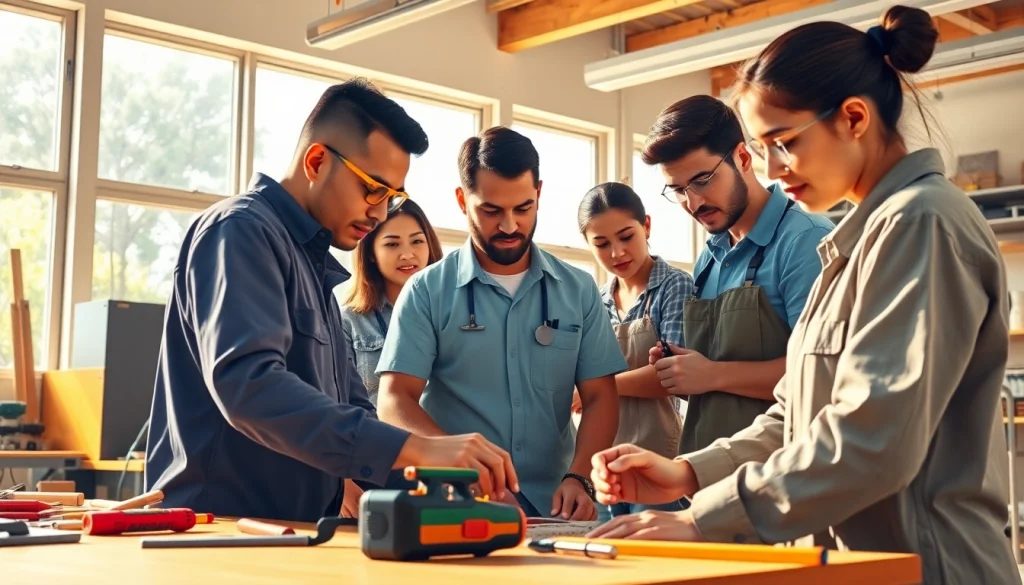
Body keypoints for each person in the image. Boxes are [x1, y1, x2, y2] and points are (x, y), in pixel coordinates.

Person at [587, 7, 1019, 584]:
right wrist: (688, 473)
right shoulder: (855, 240)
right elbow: (797, 415)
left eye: (784, 143)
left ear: (854, 118)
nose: (772, 168)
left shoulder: (922, 224)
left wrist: (702, 521)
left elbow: (871, 440)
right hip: (851, 564)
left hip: (927, 566)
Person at [145, 79, 519, 523]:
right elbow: (250, 387)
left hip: (291, 532)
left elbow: (353, 409)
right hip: (220, 531)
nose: (379, 213)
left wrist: (447, 480)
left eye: (392, 198)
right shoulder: (240, 230)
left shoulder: (313, 264)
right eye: (373, 189)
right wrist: (418, 447)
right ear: (317, 161)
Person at [376, 126, 625, 520]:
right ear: (462, 200)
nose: (509, 225)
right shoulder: (425, 291)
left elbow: (600, 397)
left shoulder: (579, 290)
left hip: (559, 507)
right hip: (458, 504)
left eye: (523, 208)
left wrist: (580, 478)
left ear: (539, 193)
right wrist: (458, 466)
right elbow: (394, 402)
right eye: (491, 211)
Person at [640, 94, 834, 457]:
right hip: (705, 471)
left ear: (743, 158)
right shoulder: (708, 258)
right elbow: (717, 380)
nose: (693, 203)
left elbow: (822, 374)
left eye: (702, 180)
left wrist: (712, 374)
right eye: (678, 190)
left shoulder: (807, 241)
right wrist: (682, 370)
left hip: (780, 472)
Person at [577, 182, 693, 521]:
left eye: (626, 236)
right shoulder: (596, 301)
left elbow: (670, 377)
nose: (617, 253)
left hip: (658, 463)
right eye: (602, 244)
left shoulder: (675, 285)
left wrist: (596, 390)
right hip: (603, 465)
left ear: (647, 226)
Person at [340, 199, 444, 404]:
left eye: (417, 241)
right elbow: (341, 401)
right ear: (371, 253)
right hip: (376, 425)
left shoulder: (455, 311)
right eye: (392, 244)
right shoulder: (349, 321)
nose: (407, 254)